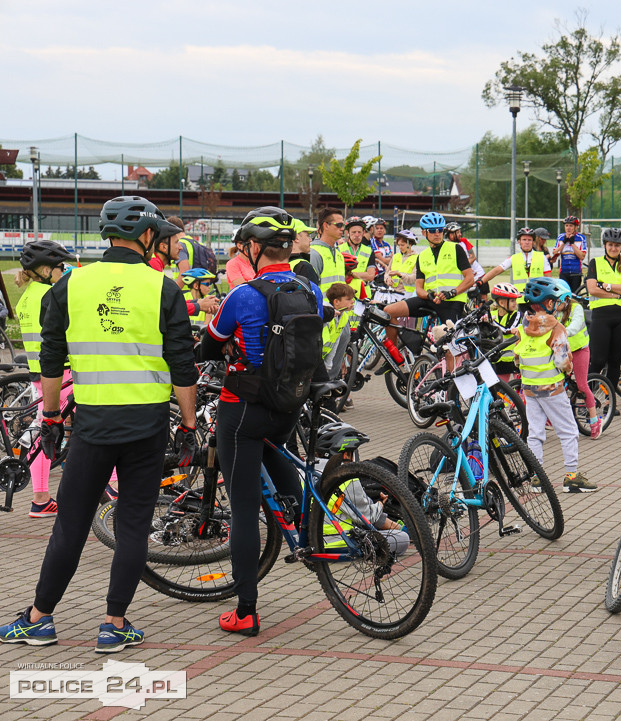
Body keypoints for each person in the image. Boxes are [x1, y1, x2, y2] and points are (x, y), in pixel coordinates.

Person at [0, 196, 199, 652]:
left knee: (70, 524)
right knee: (132, 524)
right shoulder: (163, 287)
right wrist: (189, 424)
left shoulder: (70, 286)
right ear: (148, 236)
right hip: (148, 423)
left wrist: (50, 416)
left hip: (91, 424)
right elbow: (183, 366)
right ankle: (113, 625)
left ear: (106, 236)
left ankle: (39, 619)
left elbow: (50, 361)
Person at [203, 207, 325, 636]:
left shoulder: (243, 294)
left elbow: (211, 342)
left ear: (253, 249)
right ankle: (310, 540)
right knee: (280, 459)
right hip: (290, 404)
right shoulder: (310, 289)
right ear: (288, 250)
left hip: (244, 409)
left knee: (241, 509)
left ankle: (246, 610)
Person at [13, 240, 76, 517]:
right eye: (60, 267)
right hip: (60, 371)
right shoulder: (49, 296)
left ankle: (40, 498)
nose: (64, 271)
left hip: (38, 373)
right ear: (44, 269)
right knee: (97, 422)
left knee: (43, 433)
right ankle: (112, 486)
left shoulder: (27, 295)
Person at [515, 277, 595, 493]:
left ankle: (537, 478)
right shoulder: (556, 328)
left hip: (529, 388)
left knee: (535, 432)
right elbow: (561, 361)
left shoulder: (523, 326)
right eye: (557, 302)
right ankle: (571, 478)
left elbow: (517, 357)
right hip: (552, 388)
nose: (560, 305)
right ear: (549, 303)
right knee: (568, 431)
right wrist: (568, 368)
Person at [382, 212, 475, 343]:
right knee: (388, 311)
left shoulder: (456, 249)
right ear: (424, 233)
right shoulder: (422, 256)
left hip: (452, 302)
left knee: (450, 345)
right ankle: (394, 357)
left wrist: (452, 292)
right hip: (430, 300)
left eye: (440, 230)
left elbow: (470, 279)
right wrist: (429, 296)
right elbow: (419, 289)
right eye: (432, 231)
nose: (437, 233)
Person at [586, 228, 621, 393]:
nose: (613, 248)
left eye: (617, 245)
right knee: (598, 360)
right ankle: (589, 399)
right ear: (605, 245)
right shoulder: (595, 263)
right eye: (610, 245)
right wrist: (616, 294)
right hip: (601, 316)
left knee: (615, 360)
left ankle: (610, 400)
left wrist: (606, 286)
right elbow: (592, 289)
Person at [553, 278, 601, 439]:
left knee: (581, 384)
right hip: (564, 351)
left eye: (556, 300)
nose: (554, 304)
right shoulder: (554, 310)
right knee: (555, 382)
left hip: (580, 350)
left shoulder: (576, 308)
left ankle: (595, 420)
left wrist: (560, 331)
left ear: (565, 298)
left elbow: (574, 327)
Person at [480, 227, 551, 292]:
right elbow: (496, 271)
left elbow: (549, 279)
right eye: (524, 240)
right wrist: (481, 282)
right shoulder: (514, 258)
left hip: (538, 298)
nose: (527, 242)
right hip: (520, 299)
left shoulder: (542, 257)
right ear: (519, 242)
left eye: (529, 240)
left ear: (533, 242)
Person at [489, 282, 524, 381]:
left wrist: (491, 322)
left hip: (514, 359)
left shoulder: (517, 315)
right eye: (512, 301)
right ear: (501, 302)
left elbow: (507, 330)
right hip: (498, 359)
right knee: (499, 390)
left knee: (518, 389)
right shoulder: (491, 314)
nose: (515, 303)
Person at [310, 207, 348, 295]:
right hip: (322, 308)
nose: (342, 228)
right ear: (326, 225)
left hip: (340, 308)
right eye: (338, 225)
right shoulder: (314, 254)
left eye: (343, 225)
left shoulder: (339, 255)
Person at [323, 282, 356, 381]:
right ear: (336, 302)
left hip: (324, 358)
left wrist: (328, 365)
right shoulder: (325, 314)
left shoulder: (344, 316)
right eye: (348, 299)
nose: (352, 302)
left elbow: (336, 341)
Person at [446, 222, 487, 296]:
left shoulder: (463, 241)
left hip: (478, 274)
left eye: (460, 232)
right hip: (465, 278)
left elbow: (473, 257)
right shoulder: (446, 247)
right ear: (450, 234)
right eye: (458, 232)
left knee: (483, 298)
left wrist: (463, 266)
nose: (460, 234)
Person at [340, 217, 377, 300]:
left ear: (363, 233)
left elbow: (371, 276)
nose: (357, 235)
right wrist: (362, 275)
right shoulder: (339, 249)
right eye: (353, 232)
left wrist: (351, 274)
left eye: (359, 232)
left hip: (364, 295)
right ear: (347, 233)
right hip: (345, 294)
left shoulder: (369, 251)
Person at [551, 216, 588, 293]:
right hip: (564, 272)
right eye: (566, 226)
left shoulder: (581, 238)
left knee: (575, 295)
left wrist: (572, 243)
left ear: (575, 227)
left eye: (571, 226)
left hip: (576, 272)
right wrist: (563, 243)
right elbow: (555, 253)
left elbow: (582, 256)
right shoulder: (561, 237)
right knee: (564, 295)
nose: (568, 228)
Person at [386, 229, 420, 299]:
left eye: (402, 245)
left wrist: (399, 274)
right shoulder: (395, 256)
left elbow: (413, 278)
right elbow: (387, 273)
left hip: (408, 294)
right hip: (393, 292)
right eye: (399, 245)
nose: (400, 247)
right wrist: (388, 279)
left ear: (410, 244)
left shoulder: (417, 258)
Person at [288, 218, 320, 286]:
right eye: (307, 235)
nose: (310, 240)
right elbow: (312, 295)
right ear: (296, 238)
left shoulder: (283, 263)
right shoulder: (304, 266)